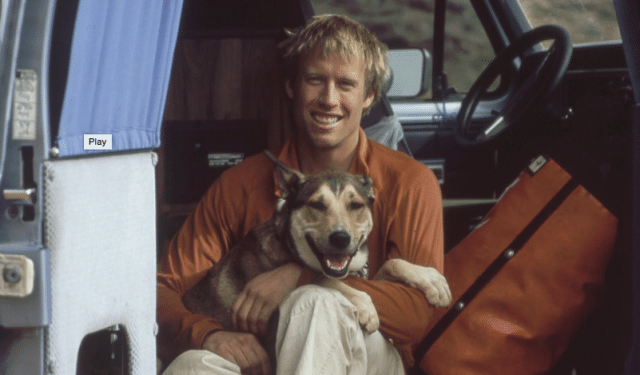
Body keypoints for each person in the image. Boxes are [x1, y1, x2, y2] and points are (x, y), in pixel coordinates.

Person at [157, 14, 444, 375]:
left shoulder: (410, 182)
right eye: (315, 80)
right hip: (264, 355)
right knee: (190, 366)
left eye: (345, 84)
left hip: (367, 357)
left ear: (369, 95)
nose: (328, 99)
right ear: (292, 86)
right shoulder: (240, 183)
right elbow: (161, 290)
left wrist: (300, 277)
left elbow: (415, 318)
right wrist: (208, 335)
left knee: (312, 305)